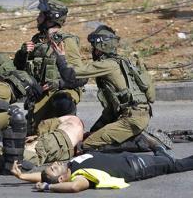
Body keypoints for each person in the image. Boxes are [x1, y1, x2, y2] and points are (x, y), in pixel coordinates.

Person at [50, 22, 168, 152]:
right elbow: (113, 105)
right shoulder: (122, 61)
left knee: (86, 146)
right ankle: (131, 134)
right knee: (91, 135)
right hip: (133, 115)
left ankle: (141, 141)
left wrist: (60, 57)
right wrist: (97, 128)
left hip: (131, 118)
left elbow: (69, 73)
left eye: (94, 48)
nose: (92, 51)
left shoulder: (106, 65)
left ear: (100, 48)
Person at [13, 0, 87, 135]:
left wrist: (59, 83)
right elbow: (19, 68)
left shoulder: (66, 41)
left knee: (62, 102)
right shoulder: (37, 40)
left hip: (61, 91)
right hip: (41, 94)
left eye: (41, 14)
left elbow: (80, 77)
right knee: (30, 134)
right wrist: (22, 53)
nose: (37, 18)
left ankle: (67, 130)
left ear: (51, 19)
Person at [11, 147, 193, 193]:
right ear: (60, 179)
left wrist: (23, 176)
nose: (55, 163)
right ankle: (162, 153)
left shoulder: (70, 166)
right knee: (174, 165)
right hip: (139, 166)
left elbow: (44, 175)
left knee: (160, 155)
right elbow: (74, 188)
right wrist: (47, 188)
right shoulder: (80, 176)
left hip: (126, 156)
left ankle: (159, 150)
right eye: (54, 168)